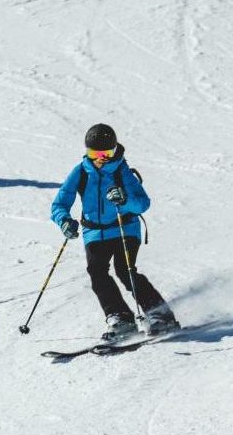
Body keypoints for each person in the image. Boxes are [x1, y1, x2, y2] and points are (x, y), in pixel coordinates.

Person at [50, 123, 179, 340]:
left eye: (106, 153)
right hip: (94, 232)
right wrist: (64, 221)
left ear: (114, 150)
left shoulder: (122, 171)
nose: (100, 158)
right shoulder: (81, 172)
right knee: (97, 273)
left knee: (125, 270)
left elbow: (142, 204)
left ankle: (160, 315)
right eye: (94, 153)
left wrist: (125, 199)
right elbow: (59, 204)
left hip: (124, 229)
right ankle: (120, 317)